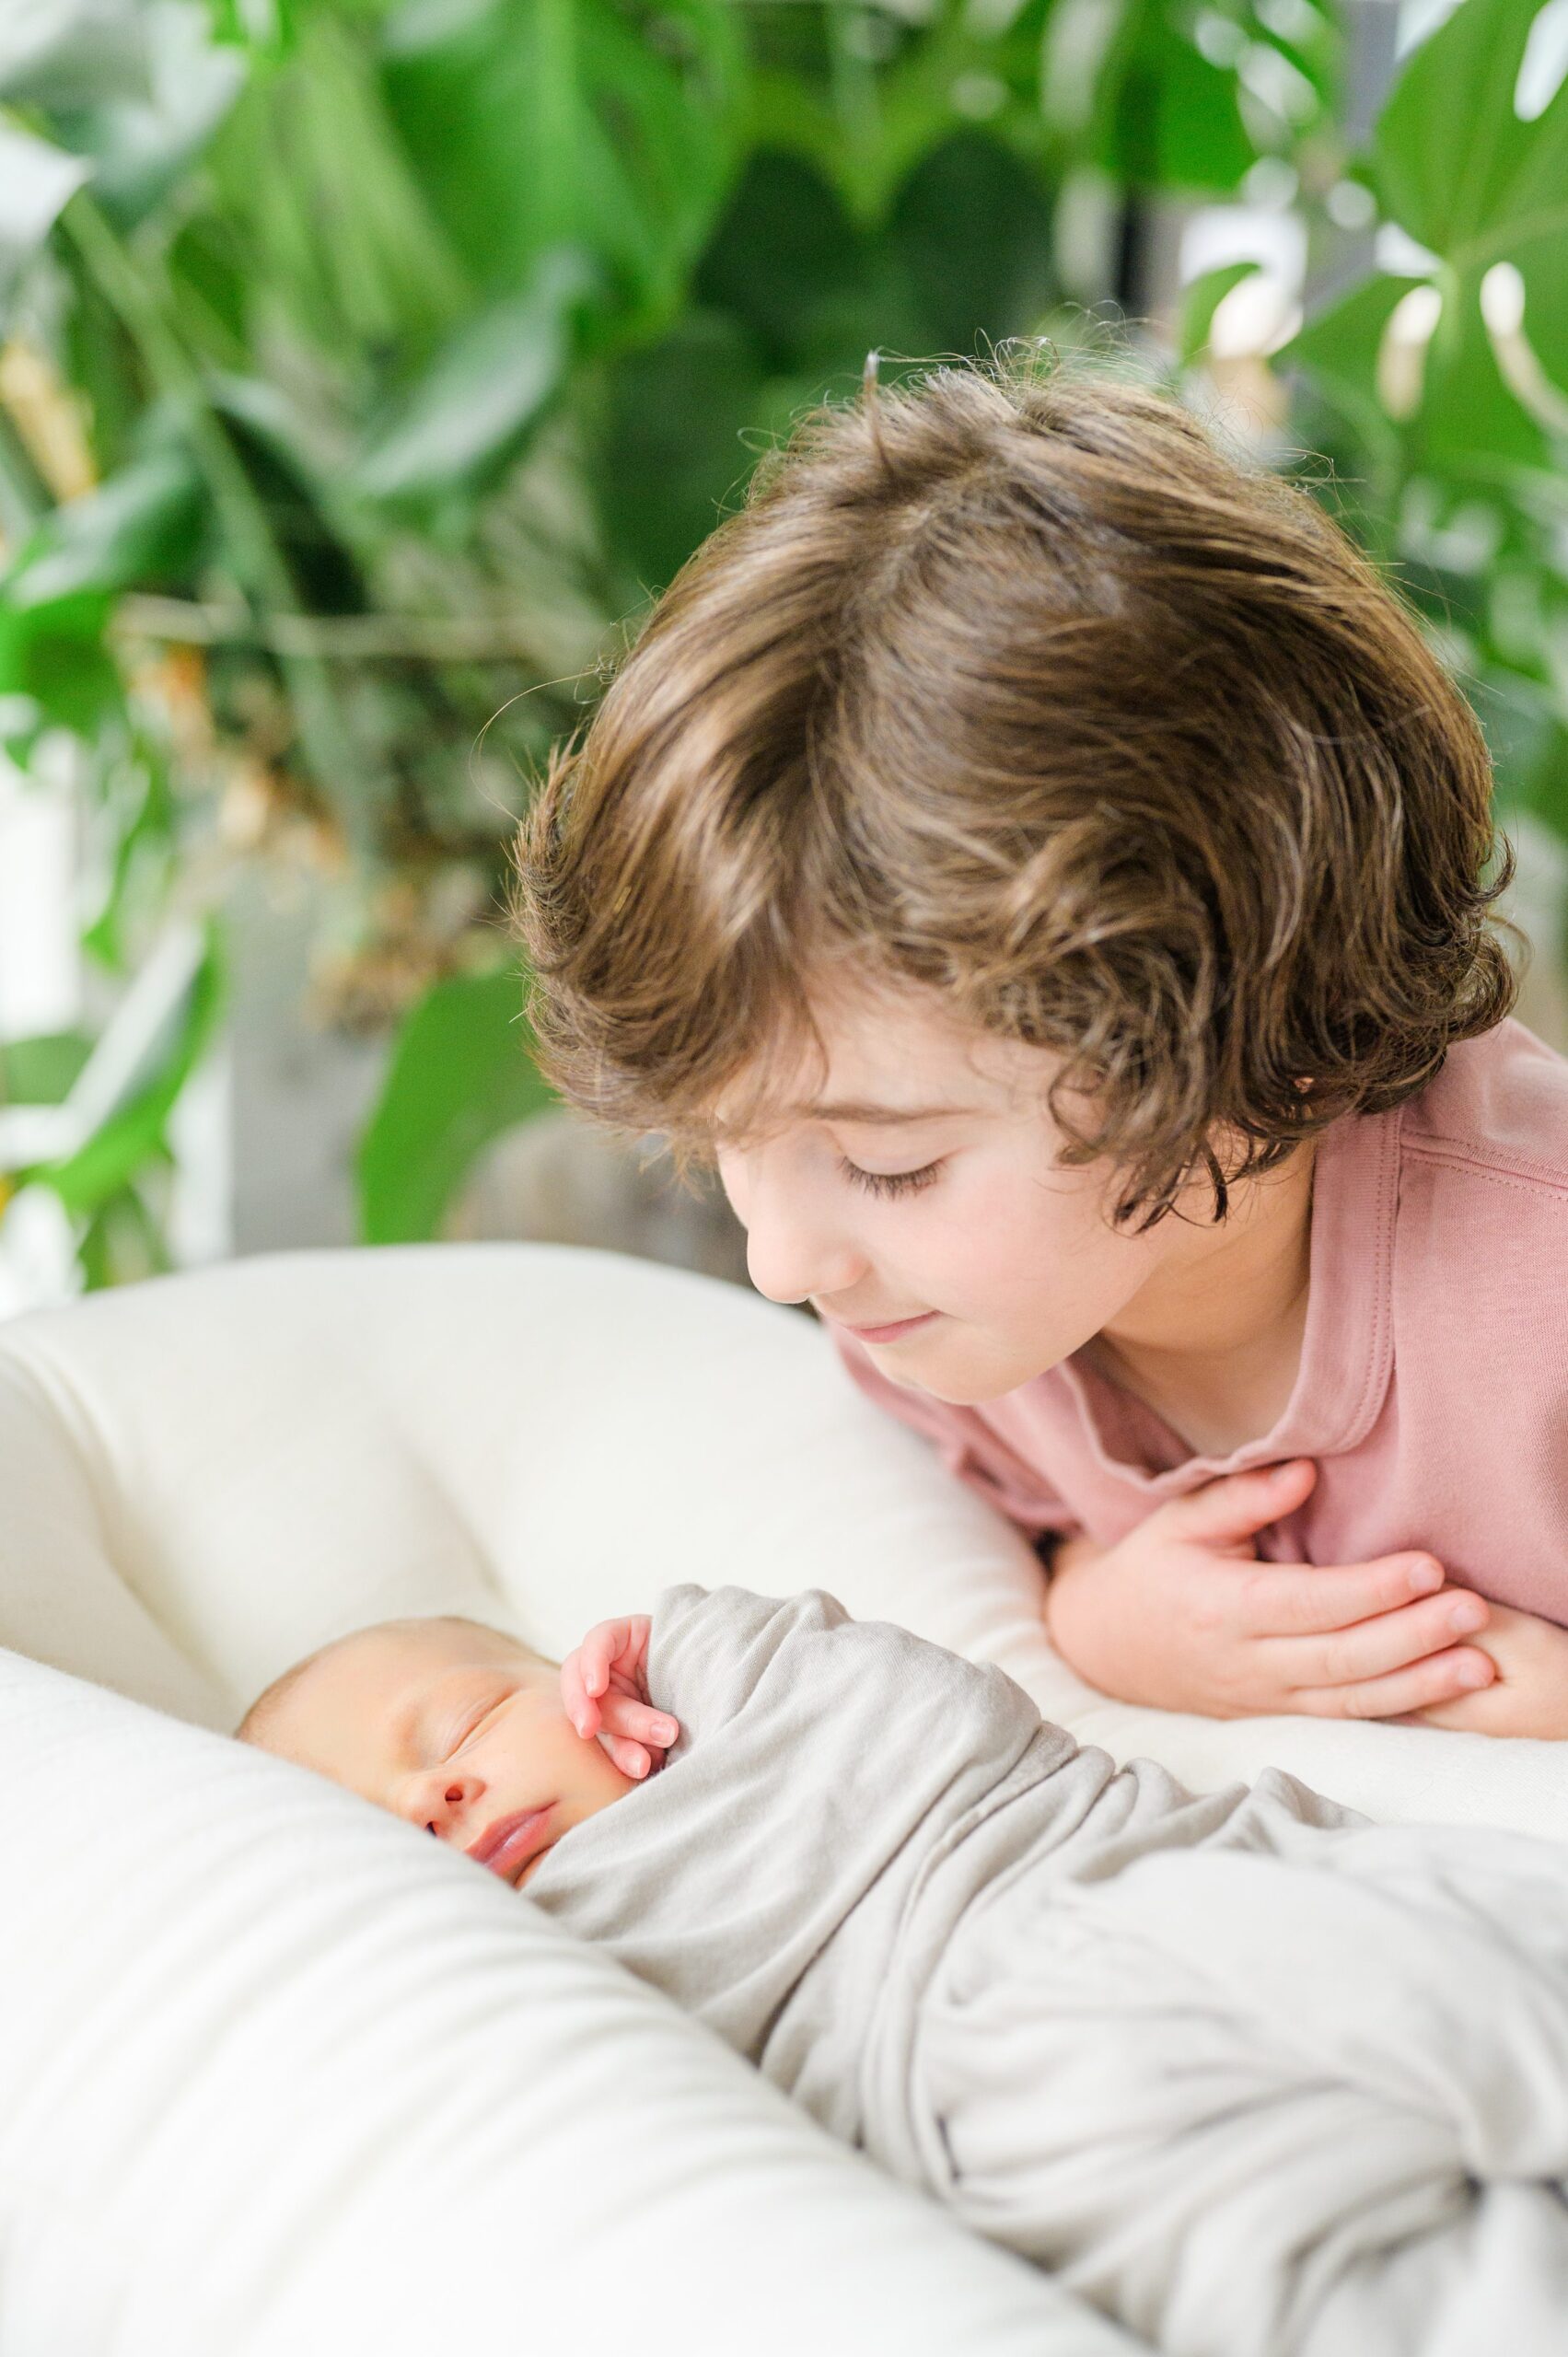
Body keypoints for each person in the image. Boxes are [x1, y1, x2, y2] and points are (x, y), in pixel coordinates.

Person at [510, 344, 1568, 1736]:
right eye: (727, 1146)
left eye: (891, 1168)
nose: (781, 1264)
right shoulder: (949, 1326)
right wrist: (1094, 1612)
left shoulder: (1535, 1291)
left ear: (1232, 1043)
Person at [238, 1588, 1568, 2357]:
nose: (437, 1793)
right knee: (1285, 2274)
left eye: (457, 1722)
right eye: (387, 1820)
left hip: (1077, 1879)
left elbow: (925, 1712)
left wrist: (684, 1649)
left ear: (585, 1668)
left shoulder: (720, 1684)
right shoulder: (514, 1964)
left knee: (1423, 1956)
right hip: (977, 2104)